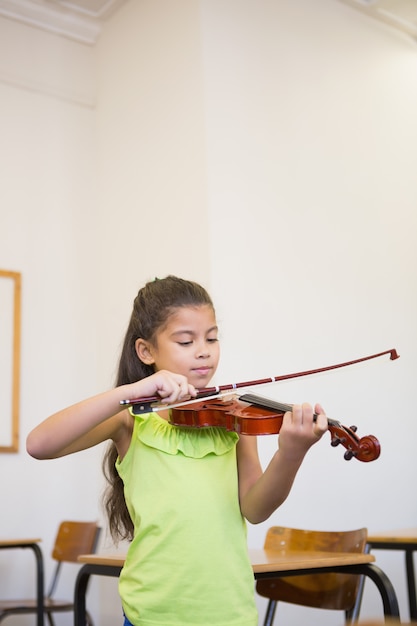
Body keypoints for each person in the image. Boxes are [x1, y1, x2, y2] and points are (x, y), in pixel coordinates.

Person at [26, 275, 328, 626]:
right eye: (186, 341)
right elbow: (40, 444)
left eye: (212, 338)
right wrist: (133, 391)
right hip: (152, 614)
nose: (204, 350)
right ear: (146, 351)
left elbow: (256, 508)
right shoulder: (132, 420)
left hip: (228, 611)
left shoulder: (233, 418)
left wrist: (291, 454)